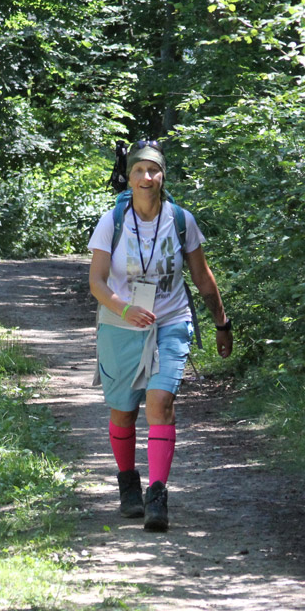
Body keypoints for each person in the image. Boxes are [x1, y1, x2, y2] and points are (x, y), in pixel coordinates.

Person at [88, 140, 232, 531]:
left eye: (153, 170)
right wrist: (124, 308)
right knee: (123, 411)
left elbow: (202, 276)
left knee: (160, 403)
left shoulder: (180, 220)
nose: (146, 177)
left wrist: (222, 323)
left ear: (163, 175)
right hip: (121, 326)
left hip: (170, 321)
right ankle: (128, 485)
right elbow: (97, 282)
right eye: (139, 170)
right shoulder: (112, 221)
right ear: (129, 176)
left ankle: (157, 495)